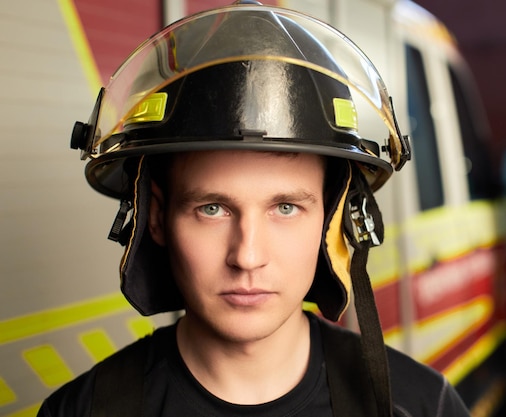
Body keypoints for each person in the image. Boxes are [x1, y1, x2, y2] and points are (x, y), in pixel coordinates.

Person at [39, 1, 470, 416]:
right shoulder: (81, 410)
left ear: (333, 219)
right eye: (212, 209)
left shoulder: (422, 405)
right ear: (156, 218)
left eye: (285, 207)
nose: (247, 256)